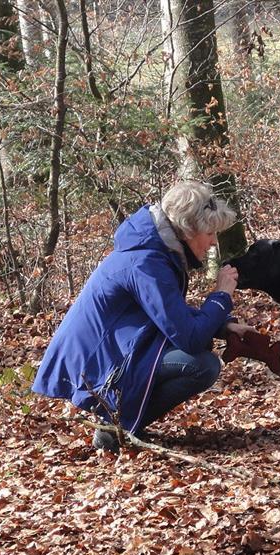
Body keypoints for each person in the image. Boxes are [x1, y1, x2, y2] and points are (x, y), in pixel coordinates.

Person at [32, 180, 251, 451]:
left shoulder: (155, 252)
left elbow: (170, 316)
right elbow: (189, 338)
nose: (213, 242)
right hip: (95, 364)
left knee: (199, 357)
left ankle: (120, 423)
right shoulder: (146, 262)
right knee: (202, 365)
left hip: (113, 353)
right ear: (188, 229)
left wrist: (223, 326)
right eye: (210, 232)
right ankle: (115, 427)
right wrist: (221, 297)